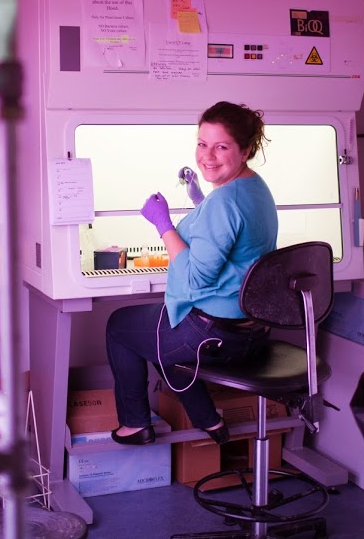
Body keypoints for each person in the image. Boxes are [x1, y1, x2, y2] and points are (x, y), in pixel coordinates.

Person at [105, 101, 278, 446]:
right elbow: (229, 233)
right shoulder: (255, 187)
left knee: (120, 327)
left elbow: (196, 278)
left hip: (213, 336)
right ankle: (209, 420)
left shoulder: (224, 202)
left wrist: (162, 223)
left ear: (245, 151)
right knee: (156, 334)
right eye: (202, 144)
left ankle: (135, 424)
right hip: (251, 331)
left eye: (221, 147)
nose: (207, 156)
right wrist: (201, 199)